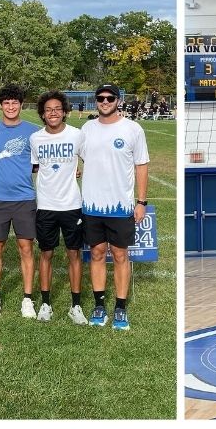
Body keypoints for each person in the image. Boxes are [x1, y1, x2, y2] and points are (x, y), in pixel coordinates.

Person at [78, 83, 149, 330]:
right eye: (100, 98)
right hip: (91, 205)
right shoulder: (86, 128)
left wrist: (141, 201)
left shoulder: (133, 129)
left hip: (120, 207)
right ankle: (99, 305)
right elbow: (83, 158)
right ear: (95, 101)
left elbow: (141, 165)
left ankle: (120, 308)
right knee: (96, 253)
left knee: (120, 255)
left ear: (118, 100)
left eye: (110, 98)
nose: (105, 102)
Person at [0, 84, 40, 317]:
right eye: (6, 103)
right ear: (0, 105)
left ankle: (28, 299)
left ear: (21, 104)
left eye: (14, 103)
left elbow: (42, 160)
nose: (10, 107)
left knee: (26, 247)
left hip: (24, 198)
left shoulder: (33, 131)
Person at [30, 90, 85, 323]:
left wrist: (81, 170)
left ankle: (76, 306)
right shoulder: (35, 138)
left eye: (57, 109)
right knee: (46, 253)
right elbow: (35, 167)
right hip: (46, 205)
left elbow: (90, 159)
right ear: (43, 114)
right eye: (48, 110)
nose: (53, 113)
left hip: (72, 204)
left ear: (64, 112)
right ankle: (45, 304)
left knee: (74, 253)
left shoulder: (77, 135)